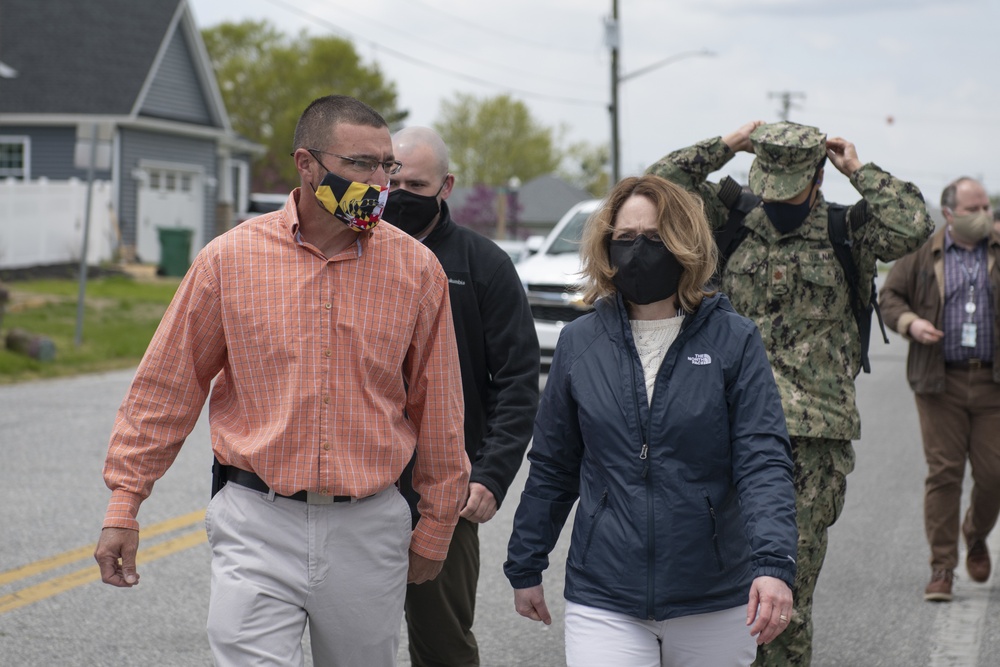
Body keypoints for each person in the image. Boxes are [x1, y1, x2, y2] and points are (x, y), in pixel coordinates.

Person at [93, 95, 471, 666]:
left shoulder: (417, 270)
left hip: (368, 529)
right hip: (256, 520)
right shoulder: (229, 260)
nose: (378, 183)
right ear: (307, 164)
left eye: (386, 166)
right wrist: (125, 503)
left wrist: (438, 523)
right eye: (360, 165)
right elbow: (166, 389)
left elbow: (438, 407)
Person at [647, 120, 933, 666]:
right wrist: (724, 146)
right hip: (719, 427)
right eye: (768, 176)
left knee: (785, 598)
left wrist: (859, 170)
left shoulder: (848, 227)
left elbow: (914, 226)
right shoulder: (727, 216)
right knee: (708, 587)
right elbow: (657, 188)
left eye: (791, 180)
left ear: (818, 175)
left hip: (810, 441)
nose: (777, 193)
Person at [504, 174, 798, 667]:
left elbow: (762, 460)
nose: (638, 251)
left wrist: (773, 564)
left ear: (685, 244)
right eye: (625, 239)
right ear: (605, 246)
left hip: (714, 596)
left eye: (655, 239)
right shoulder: (581, 343)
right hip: (605, 593)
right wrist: (525, 562)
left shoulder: (734, 340)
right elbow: (554, 464)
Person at [384, 126, 540, 666]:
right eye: (391, 178)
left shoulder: (483, 266)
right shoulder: (352, 252)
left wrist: (492, 475)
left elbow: (518, 383)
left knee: (443, 645)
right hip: (357, 485)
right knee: (352, 642)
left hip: (442, 492)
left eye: (415, 183)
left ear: (446, 185)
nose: (399, 192)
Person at [879, 176, 1000, 602]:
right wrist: (910, 322)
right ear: (949, 214)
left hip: (993, 382)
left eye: (987, 206)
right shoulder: (921, 252)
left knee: (993, 475)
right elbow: (890, 296)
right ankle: (942, 567)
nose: (985, 215)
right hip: (939, 381)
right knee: (945, 473)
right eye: (974, 209)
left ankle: (976, 532)